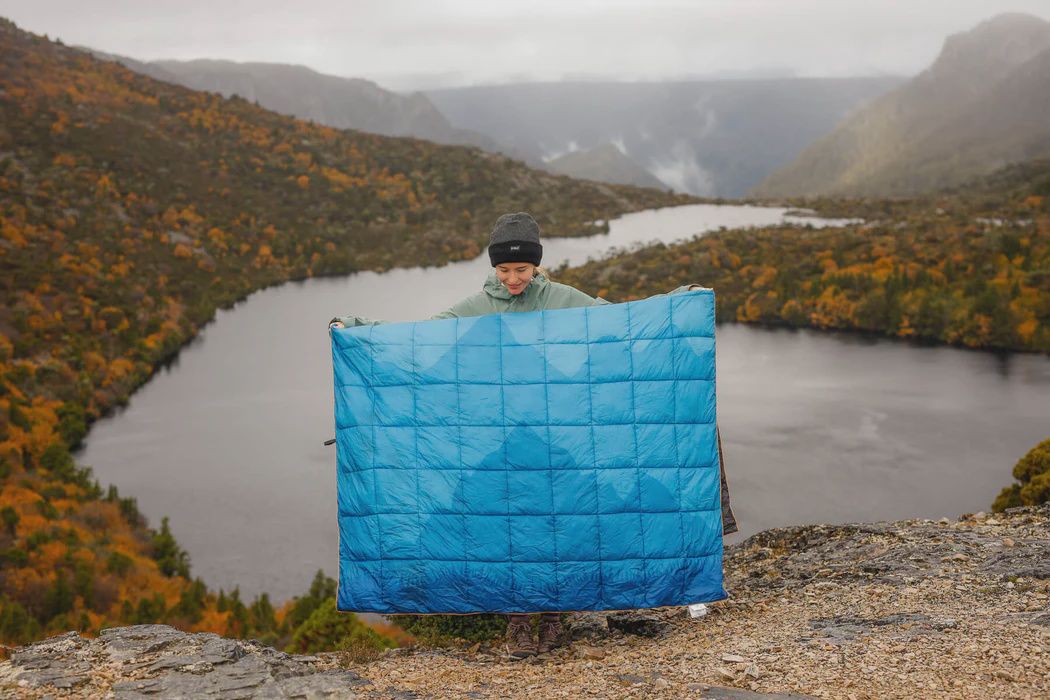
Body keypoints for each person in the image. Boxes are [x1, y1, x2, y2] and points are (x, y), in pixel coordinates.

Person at [330, 212, 737, 658]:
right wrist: (357, 328)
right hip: (505, 442)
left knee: (555, 524)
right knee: (511, 527)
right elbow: (421, 339)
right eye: (503, 270)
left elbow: (621, 323)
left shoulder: (564, 299)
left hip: (557, 437)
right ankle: (519, 622)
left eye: (521, 270)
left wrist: (680, 300)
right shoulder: (475, 307)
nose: (512, 279)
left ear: (537, 265)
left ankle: (553, 619)